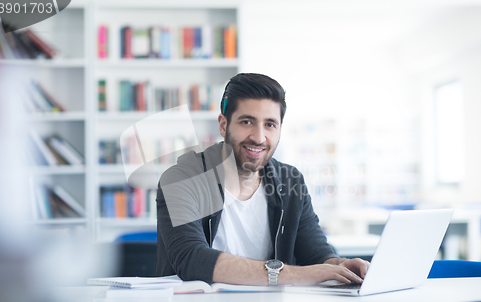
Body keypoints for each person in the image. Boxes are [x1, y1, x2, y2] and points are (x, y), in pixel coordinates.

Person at [154, 73, 369, 286]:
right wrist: (292, 275)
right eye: (247, 122)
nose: (258, 137)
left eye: (270, 125)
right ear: (223, 125)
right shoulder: (181, 179)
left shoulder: (290, 181)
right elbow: (191, 260)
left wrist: (340, 266)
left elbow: (316, 255)